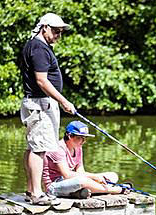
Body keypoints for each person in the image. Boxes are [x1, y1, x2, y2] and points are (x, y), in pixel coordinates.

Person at [20, 13, 76, 205]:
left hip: (38, 103)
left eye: (61, 32)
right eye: (55, 31)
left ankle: (30, 190)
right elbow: (41, 81)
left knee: (33, 148)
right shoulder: (39, 48)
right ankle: (36, 193)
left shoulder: (37, 45)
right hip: (40, 104)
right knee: (39, 150)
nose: (59, 35)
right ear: (44, 27)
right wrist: (63, 101)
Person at [42, 121, 130, 198]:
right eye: (79, 138)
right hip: (54, 186)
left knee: (113, 175)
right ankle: (112, 190)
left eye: (85, 138)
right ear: (69, 136)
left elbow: (81, 172)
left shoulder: (78, 147)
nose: (83, 141)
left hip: (69, 182)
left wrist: (98, 178)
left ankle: (83, 191)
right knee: (82, 181)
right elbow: (67, 175)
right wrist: (94, 177)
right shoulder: (58, 148)